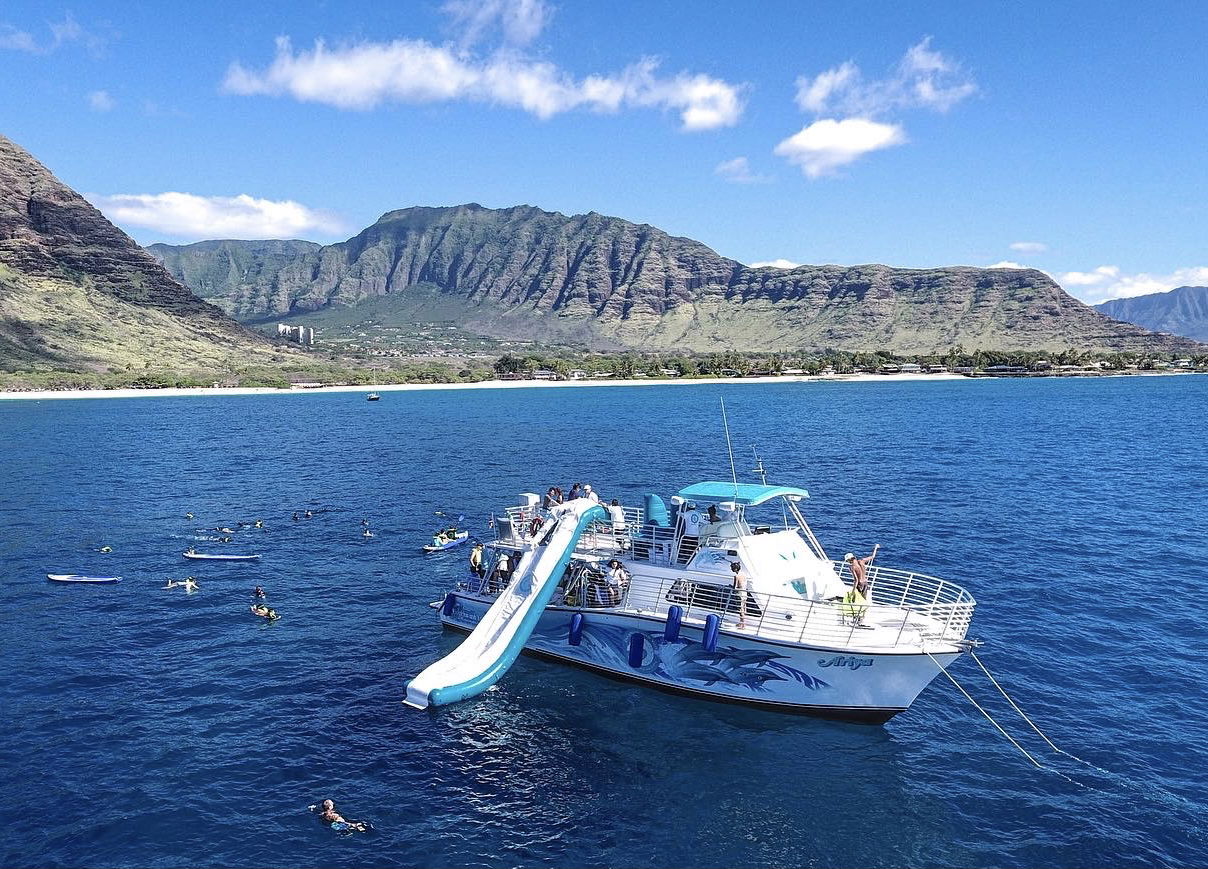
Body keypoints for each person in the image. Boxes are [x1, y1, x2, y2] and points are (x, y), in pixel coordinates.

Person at [730, 561, 748, 629]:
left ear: (735, 569)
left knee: (740, 610)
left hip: (739, 594)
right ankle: (741, 623)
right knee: (743, 608)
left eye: (732, 568)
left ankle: (743, 625)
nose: (731, 569)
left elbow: (734, 587)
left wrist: (731, 587)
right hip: (744, 592)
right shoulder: (743, 574)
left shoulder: (736, 576)